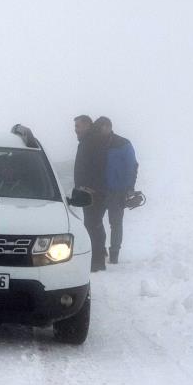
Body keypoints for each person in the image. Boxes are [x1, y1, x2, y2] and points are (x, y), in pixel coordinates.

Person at [92, 116, 138, 265]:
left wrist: (130, 187)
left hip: (118, 191)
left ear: (109, 126)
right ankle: (101, 249)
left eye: (101, 128)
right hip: (99, 190)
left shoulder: (123, 144)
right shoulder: (97, 144)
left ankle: (114, 254)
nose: (99, 131)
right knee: (96, 221)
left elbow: (133, 166)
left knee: (115, 223)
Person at [73, 114, 108, 271]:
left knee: (92, 225)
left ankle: (96, 261)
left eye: (78, 126)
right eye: (75, 127)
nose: (75, 130)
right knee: (95, 224)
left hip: (93, 192)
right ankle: (98, 259)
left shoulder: (92, 141)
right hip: (91, 190)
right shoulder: (90, 140)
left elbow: (98, 166)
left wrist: (91, 186)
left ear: (87, 125)